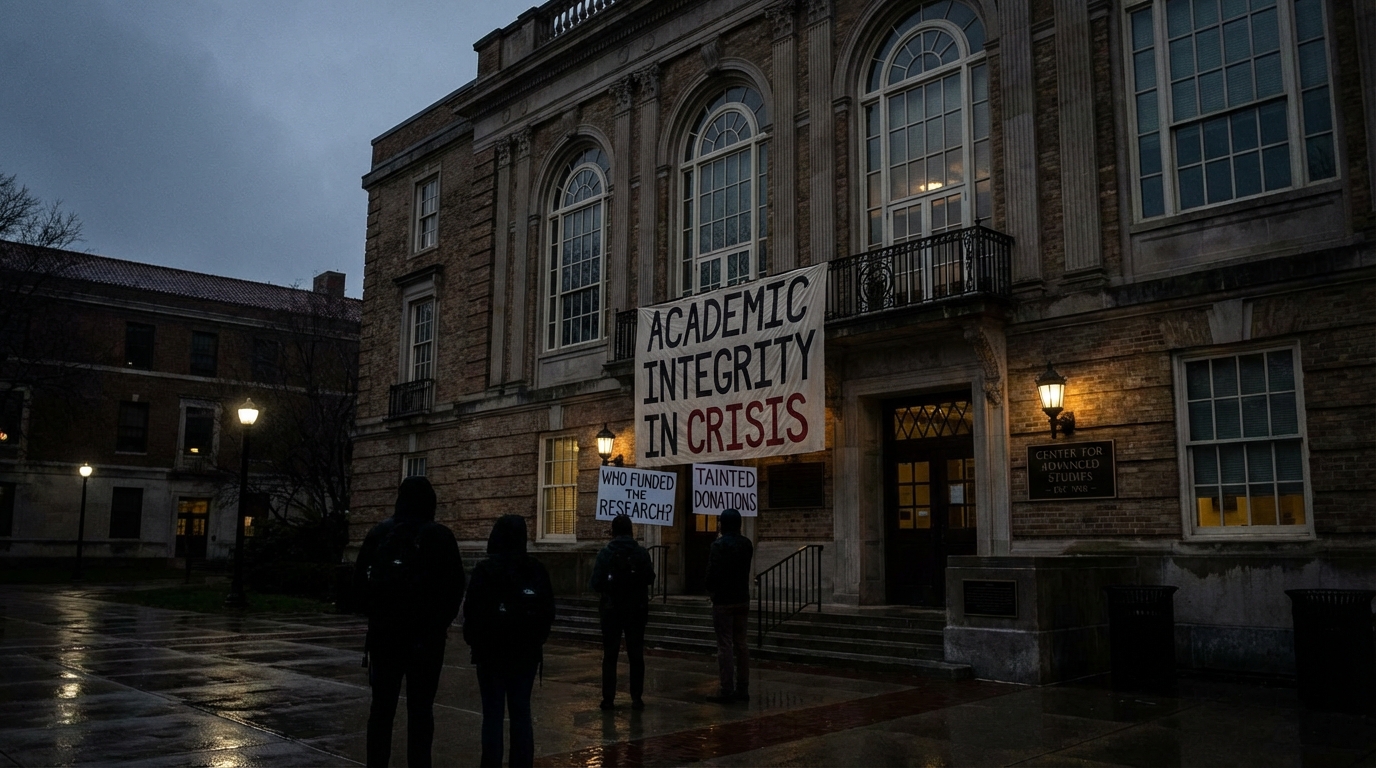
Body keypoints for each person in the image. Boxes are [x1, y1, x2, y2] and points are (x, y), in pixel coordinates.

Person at [354, 476, 465, 768]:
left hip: (384, 637)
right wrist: (438, 624)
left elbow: (357, 586)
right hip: (426, 641)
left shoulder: (379, 533)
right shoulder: (441, 536)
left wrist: (378, 617)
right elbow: (455, 588)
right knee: (421, 711)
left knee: (381, 710)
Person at [463, 514, 555, 768]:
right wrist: (536, 641)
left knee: (492, 716)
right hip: (525, 654)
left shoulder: (485, 570)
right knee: (521, 714)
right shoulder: (535, 569)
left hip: (490, 655)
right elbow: (548, 611)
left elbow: (471, 612)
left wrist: (475, 642)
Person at [589, 513, 655, 711]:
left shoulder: (605, 553)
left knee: (610, 655)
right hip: (636, 610)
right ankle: (637, 698)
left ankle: (608, 699)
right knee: (636, 654)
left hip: (611, 610)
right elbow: (650, 578)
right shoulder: (641, 553)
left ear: (613, 531)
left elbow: (595, 583)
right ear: (631, 530)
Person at [703, 507, 753, 704]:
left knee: (725, 645)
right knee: (741, 644)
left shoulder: (718, 546)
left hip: (723, 601)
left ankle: (727, 688)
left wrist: (712, 591)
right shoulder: (747, 544)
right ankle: (743, 687)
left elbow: (711, 573)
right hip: (742, 599)